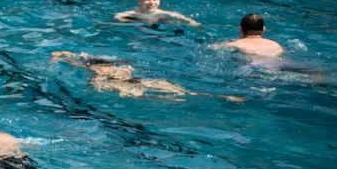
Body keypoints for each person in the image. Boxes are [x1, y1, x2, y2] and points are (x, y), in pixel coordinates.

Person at [51, 52, 236, 100]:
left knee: (175, 90)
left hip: (135, 81)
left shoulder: (110, 69)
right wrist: (58, 56)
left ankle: (221, 96)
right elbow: (68, 57)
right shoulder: (93, 72)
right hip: (122, 83)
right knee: (139, 93)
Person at [213, 13, 284, 61]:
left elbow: (213, 48)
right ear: (263, 29)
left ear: (240, 29)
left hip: (256, 65)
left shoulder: (235, 44)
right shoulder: (275, 45)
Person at [115, 0, 199, 26]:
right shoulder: (132, 14)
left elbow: (180, 16)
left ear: (159, 1)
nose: (152, 2)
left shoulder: (163, 14)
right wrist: (132, 22)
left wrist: (192, 22)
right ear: (139, 1)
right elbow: (118, 16)